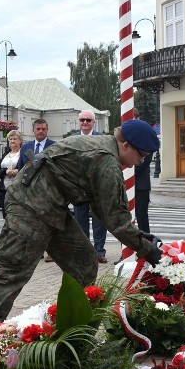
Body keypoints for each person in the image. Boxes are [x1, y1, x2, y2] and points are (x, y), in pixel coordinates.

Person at [0, 120, 164, 369]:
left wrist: (142, 238)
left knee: (84, 264)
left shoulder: (105, 151)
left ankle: (68, 339)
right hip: (29, 207)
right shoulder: (107, 161)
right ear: (125, 144)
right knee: (10, 272)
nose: (141, 162)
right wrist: (146, 248)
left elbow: (108, 209)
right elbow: (115, 220)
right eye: (141, 155)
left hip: (52, 208)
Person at [72, 111, 109, 263]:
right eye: (82, 120)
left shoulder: (102, 139)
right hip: (79, 185)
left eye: (88, 120)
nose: (85, 122)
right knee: (80, 220)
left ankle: (99, 251)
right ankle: (85, 252)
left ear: (94, 122)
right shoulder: (72, 139)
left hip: (97, 185)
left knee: (99, 219)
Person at [20, 118, 57, 262]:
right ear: (33, 131)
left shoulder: (54, 146)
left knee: (49, 223)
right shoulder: (26, 147)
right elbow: (21, 168)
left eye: (43, 129)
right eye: (38, 129)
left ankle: (52, 252)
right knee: (31, 223)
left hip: (48, 192)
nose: (40, 131)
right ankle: (36, 251)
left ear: (47, 130)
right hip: (30, 192)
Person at [0, 129, 23, 218]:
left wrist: (18, 171)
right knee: (6, 216)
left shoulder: (24, 153)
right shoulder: (5, 154)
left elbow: (31, 167)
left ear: (20, 140)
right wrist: (5, 171)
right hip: (5, 190)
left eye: (15, 139)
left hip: (19, 191)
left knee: (17, 216)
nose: (12, 141)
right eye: (10, 139)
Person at [135, 149, 153, 234]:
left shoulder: (146, 142)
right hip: (127, 185)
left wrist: (128, 173)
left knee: (142, 217)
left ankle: (146, 241)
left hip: (141, 186)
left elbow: (144, 162)